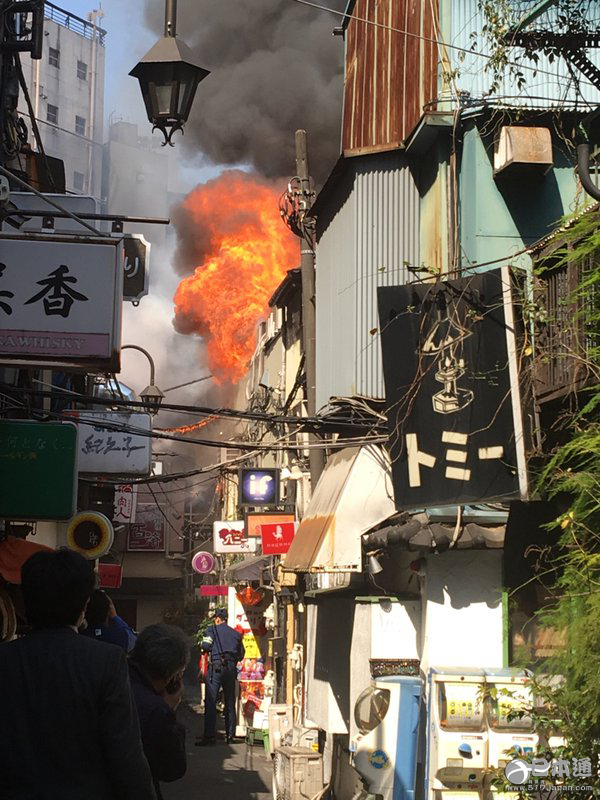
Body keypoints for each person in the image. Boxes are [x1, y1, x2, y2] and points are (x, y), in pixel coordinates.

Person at [0, 548, 156, 800]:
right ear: (84, 604)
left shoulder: (6, 659)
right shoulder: (106, 661)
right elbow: (125, 755)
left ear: (23, 600)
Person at [128, 624, 189, 800]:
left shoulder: (113, 675)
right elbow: (171, 770)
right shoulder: (156, 710)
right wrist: (169, 709)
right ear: (173, 675)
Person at [198, 607, 244, 745]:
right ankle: (230, 736)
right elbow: (241, 655)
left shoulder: (211, 630)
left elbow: (206, 646)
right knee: (230, 702)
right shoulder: (236, 634)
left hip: (216, 668)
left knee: (211, 701)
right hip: (231, 669)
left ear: (217, 618)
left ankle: (210, 737)